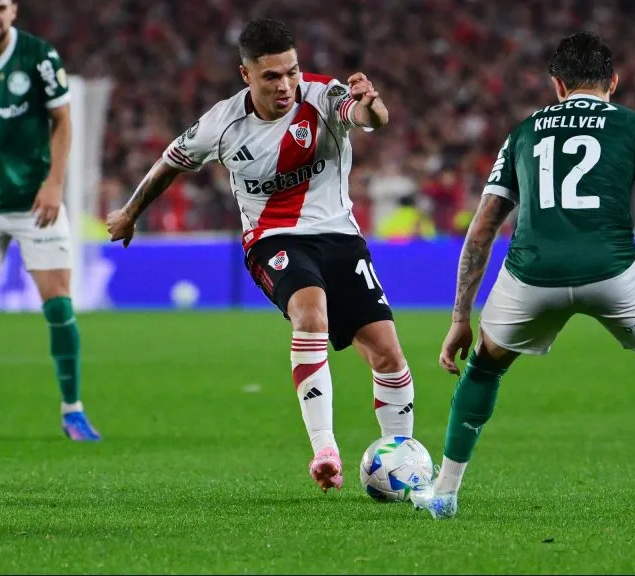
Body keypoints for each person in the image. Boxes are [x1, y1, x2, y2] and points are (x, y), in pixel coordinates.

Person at [410, 32, 635, 525]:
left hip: (530, 276)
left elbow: (482, 227)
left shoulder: (523, 132)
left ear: (557, 84)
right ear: (614, 82)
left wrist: (459, 317)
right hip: (614, 272)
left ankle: (443, 494)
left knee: (484, 369)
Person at [105, 18, 416, 492]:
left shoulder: (322, 95)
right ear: (245, 75)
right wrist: (130, 212)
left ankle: (402, 460)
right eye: (272, 76)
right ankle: (325, 450)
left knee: (387, 352)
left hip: (339, 236)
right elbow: (170, 160)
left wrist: (372, 105)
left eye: (291, 71)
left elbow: (368, 118)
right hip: (273, 239)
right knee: (311, 314)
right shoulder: (222, 123)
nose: (286, 85)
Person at [0, 0, 100, 442]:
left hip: (35, 203)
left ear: (14, 11)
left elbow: (62, 120)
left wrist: (54, 183)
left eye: (1, 7)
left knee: (60, 307)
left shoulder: (39, 55)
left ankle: (73, 412)